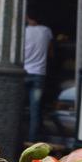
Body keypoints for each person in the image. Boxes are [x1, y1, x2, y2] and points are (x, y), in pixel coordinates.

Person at [24, 13, 53, 143]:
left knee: (17, 108)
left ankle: (18, 138)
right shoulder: (46, 31)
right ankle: (32, 141)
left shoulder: (23, 32)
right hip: (39, 74)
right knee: (35, 110)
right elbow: (51, 52)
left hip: (23, 73)